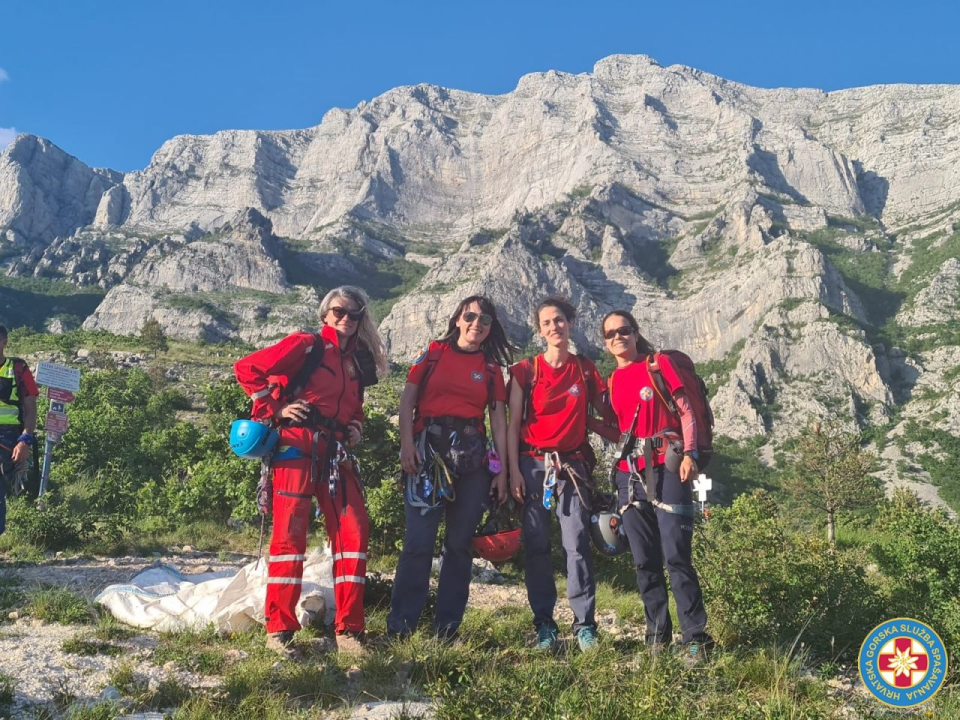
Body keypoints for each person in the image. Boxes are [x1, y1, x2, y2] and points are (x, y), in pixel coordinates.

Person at [234, 286, 388, 657]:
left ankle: (350, 632)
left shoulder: (356, 365)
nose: (346, 319)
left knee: (354, 530)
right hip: (296, 447)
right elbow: (246, 369)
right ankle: (279, 629)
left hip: (335, 453)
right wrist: (275, 408)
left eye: (355, 314)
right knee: (290, 537)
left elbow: (355, 409)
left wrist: (356, 427)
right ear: (325, 313)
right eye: (339, 311)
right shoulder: (306, 345)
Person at [387, 296, 513, 639]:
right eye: (470, 315)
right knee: (418, 542)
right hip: (428, 454)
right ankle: (401, 626)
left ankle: (447, 629)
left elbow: (498, 422)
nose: (477, 323)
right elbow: (407, 401)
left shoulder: (490, 369)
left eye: (485, 319)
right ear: (457, 318)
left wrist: (501, 470)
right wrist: (407, 446)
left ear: (491, 328)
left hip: (472, 460)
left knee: (458, 545)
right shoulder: (433, 353)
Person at [601, 310, 714, 664]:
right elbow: (616, 431)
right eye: (610, 334)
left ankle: (695, 637)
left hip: (669, 466)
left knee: (676, 554)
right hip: (629, 473)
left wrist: (690, 454)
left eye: (624, 330)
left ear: (635, 334)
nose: (618, 337)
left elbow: (685, 411)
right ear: (605, 343)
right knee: (643, 560)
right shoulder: (610, 382)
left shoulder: (657, 364)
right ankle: (656, 637)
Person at [507, 297, 615, 652]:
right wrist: (513, 472)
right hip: (533, 465)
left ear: (570, 324)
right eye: (547, 322)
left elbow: (608, 413)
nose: (555, 327)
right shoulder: (525, 370)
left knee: (577, 545)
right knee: (537, 546)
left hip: (572, 468)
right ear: (540, 330)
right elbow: (512, 426)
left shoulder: (584, 369)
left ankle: (585, 624)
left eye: (560, 320)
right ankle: (544, 625)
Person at [0, 326, 38, 535]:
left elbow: (31, 409)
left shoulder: (17, 369)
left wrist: (25, 439)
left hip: (6, 436)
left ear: (4, 342)